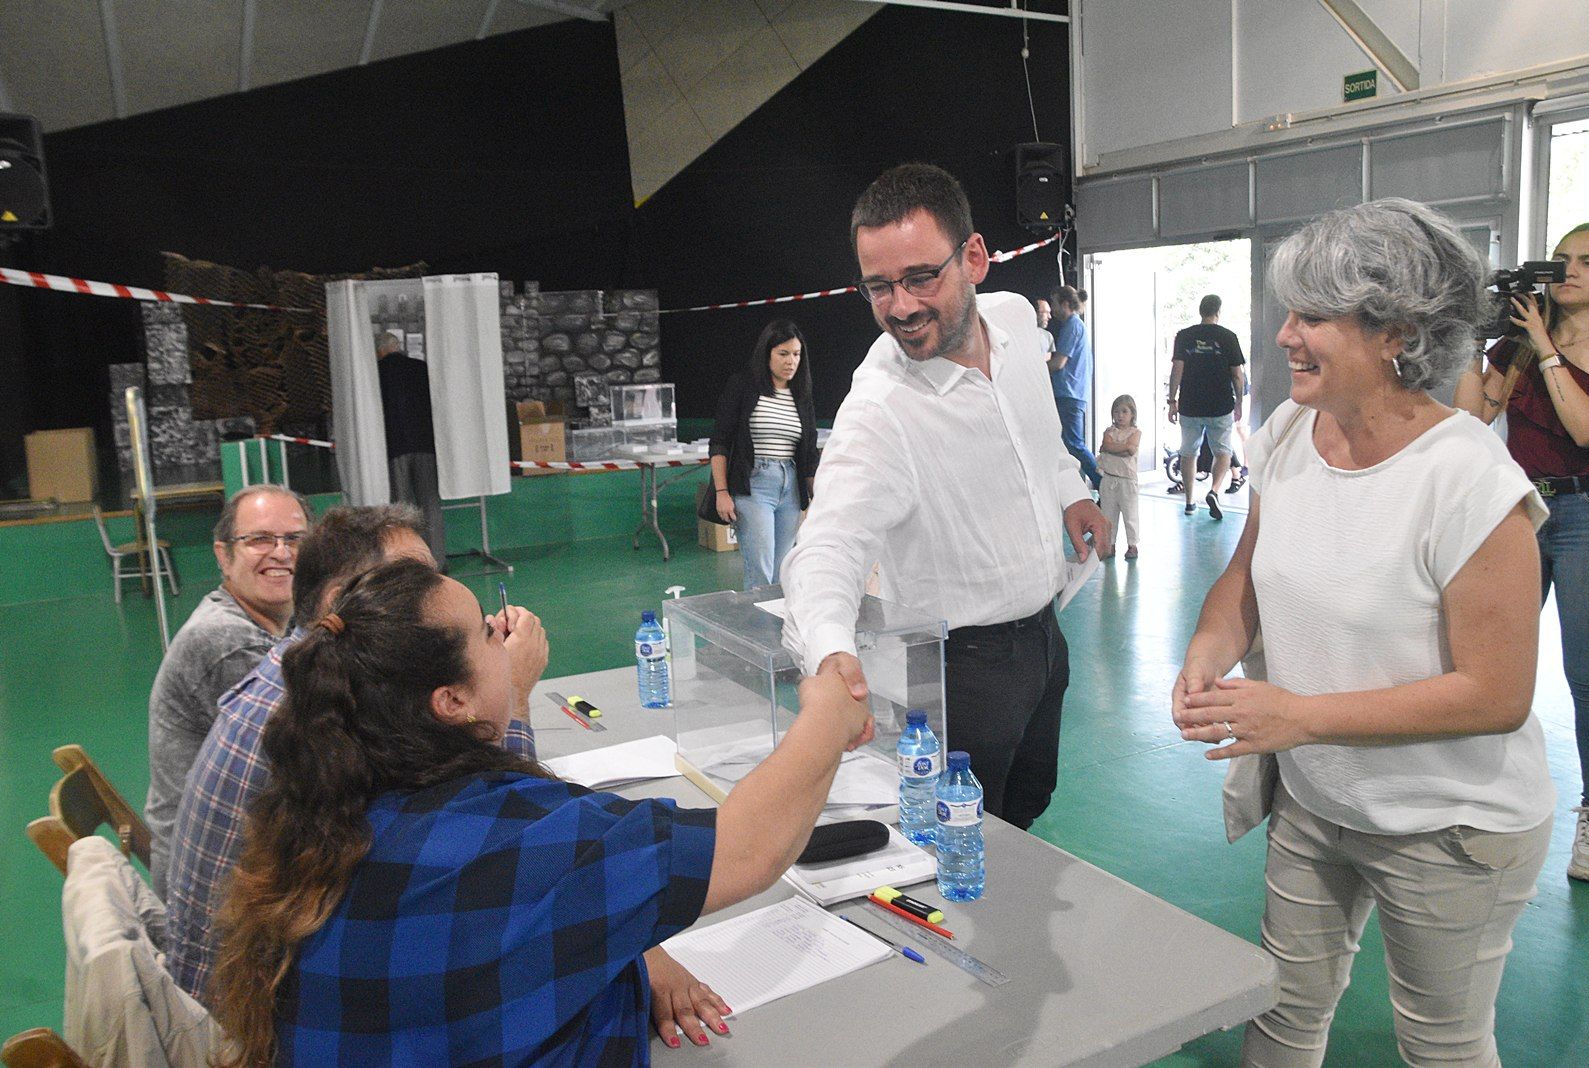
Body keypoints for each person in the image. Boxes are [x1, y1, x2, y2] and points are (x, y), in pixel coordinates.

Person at [210, 558, 871, 1065]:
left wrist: (624, 937)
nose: (504, 636)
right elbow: (748, 849)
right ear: (451, 701)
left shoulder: (328, 817)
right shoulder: (518, 835)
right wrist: (828, 715)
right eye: (485, 634)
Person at [1173, 199, 1555, 1065]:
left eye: (1313, 316)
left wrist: (1300, 716)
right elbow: (1246, 579)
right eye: (1289, 311)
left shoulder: (1466, 479)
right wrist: (1206, 654)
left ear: (1396, 333)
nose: (1284, 336)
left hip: (1451, 826)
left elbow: (1497, 695)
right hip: (1317, 800)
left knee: (1441, 1045)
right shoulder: (1289, 436)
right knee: (1280, 1013)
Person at [782, 162, 1109, 830]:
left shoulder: (1015, 322)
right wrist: (830, 654)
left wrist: (1071, 490)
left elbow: (1039, 435)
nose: (901, 307)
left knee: (1026, 808)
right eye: (879, 287)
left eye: (920, 277)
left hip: (1046, 640)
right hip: (962, 672)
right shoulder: (880, 409)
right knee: (957, 843)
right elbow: (826, 549)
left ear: (975, 258)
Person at [162, 504, 546, 1004]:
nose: (434, 596)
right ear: (344, 600)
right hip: (249, 1022)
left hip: (233, 985)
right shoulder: (335, 709)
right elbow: (503, 837)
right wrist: (510, 692)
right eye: (410, 582)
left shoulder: (307, 672)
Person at [1454, 221, 1589, 883]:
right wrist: (1470, 340)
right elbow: (1470, 421)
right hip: (1520, 507)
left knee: (1588, 678)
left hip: (1586, 512)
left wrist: (1541, 344)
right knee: (1486, 658)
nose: (1570, 272)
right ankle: (1471, 799)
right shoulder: (1517, 342)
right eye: (1563, 260)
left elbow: (1586, 428)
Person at [144, 485, 311, 897]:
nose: (282, 553)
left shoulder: (271, 623)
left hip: (239, 854)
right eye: (259, 539)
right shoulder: (227, 642)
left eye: (294, 539)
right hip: (220, 889)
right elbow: (313, 761)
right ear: (223, 554)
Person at [709, 320, 822, 589]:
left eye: (796, 354)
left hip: (790, 488)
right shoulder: (743, 386)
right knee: (760, 568)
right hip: (754, 485)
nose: (791, 361)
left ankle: (778, 630)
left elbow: (808, 453)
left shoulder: (801, 396)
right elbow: (720, 442)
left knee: (783, 570)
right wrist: (722, 492)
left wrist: (819, 497)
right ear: (767, 353)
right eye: (783, 353)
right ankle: (757, 630)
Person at [1168, 294, 1246, 518]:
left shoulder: (1184, 336)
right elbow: (1237, 375)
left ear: (1200, 311)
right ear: (1218, 312)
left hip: (1191, 404)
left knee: (1188, 452)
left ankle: (1190, 501)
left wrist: (1172, 400)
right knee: (1223, 452)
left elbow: (1177, 370)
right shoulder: (1228, 337)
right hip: (1220, 404)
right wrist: (1239, 402)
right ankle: (1213, 491)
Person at [376, 330, 445, 564]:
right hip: (426, 442)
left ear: (380, 351)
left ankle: (409, 561)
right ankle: (437, 560)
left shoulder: (378, 373)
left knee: (402, 507)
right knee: (430, 503)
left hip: (396, 445)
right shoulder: (420, 368)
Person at [1048, 285, 1101, 489]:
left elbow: (1059, 362)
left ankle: (1102, 484)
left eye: (1054, 304)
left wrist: (1034, 368)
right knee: (1070, 444)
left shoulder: (1072, 326)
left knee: (1074, 444)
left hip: (1069, 394)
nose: (1052, 310)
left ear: (1065, 304)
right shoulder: (1075, 326)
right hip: (1071, 393)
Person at [1096, 395, 1141, 560]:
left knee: (1130, 514)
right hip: (1109, 479)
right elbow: (1107, 445)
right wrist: (1121, 447)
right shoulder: (1109, 432)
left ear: (1132, 414)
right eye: (1116, 411)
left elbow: (1131, 450)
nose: (1120, 415)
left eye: (1124, 411)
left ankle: (1132, 544)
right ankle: (1110, 544)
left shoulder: (1135, 433)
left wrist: (1111, 448)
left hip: (1127, 481)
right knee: (1108, 514)